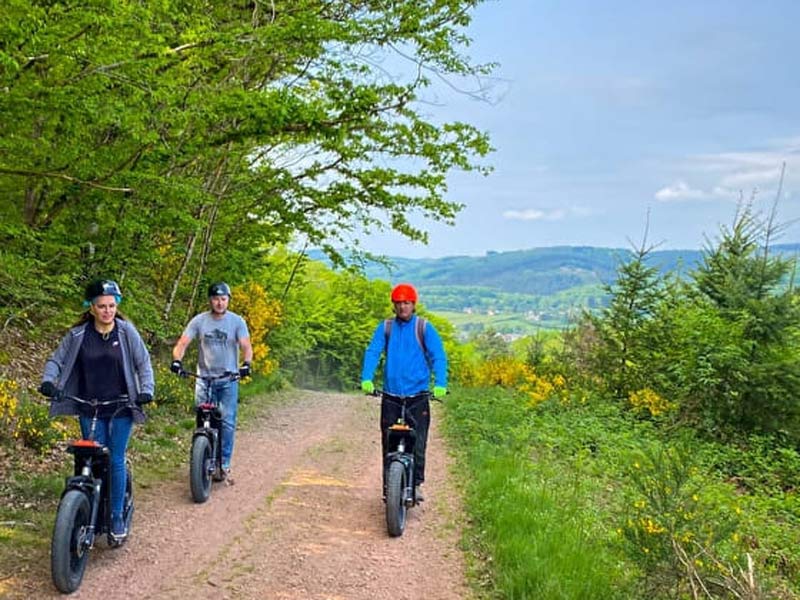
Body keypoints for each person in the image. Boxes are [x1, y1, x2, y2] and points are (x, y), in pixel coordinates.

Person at [39, 279, 154, 541]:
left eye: (112, 306)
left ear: (117, 306)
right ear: (91, 308)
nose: (107, 311)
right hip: (88, 407)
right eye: (101, 306)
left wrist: (146, 390)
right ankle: (82, 511)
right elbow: (56, 360)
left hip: (121, 407)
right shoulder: (78, 335)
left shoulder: (125, 333)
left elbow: (143, 362)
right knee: (90, 458)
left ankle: (115, 517)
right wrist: (48, 381)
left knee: (114, 459)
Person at [360, 283, 448, 501]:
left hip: (418, 396)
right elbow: (373, 351)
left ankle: (416, 482)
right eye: (398, 303)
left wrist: (441, 383)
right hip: (391, 396)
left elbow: (439, 356)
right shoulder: (386, 327)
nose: (402, 307)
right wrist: (366, 378)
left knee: (418, 442)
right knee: (388, 441)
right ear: (394, 305)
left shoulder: (424, 328)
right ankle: (388, 487)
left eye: (406, 303)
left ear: (413, 305)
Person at [170, 282, 253, 483]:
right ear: (210, 300)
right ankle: (201, 458)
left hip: (228, 380)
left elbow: (246, 346)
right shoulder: (199, 321)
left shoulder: (237, 322)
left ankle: (223, 465)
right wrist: (176, 360)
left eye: (223, 299)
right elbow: (182, 343)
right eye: (216, 299)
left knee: (226, 421)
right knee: (201, 418)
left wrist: (246, 364)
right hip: (204, 379)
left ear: (228, 300)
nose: (219, 302)